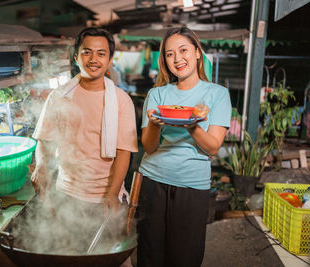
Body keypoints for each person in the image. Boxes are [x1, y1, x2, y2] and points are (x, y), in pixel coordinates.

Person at [137, 27, 232, 267]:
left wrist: (192, 126)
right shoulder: (156, 94)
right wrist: (156, 124)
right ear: (164, 60)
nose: (177, 59)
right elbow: (148, 147)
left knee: (185, 259)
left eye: (183, 50)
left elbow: (212, 148)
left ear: (197, 52)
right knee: (150, 257)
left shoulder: (217, 94)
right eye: (170, 54)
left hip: (192, 186)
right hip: (153, 181)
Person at [31, 26, 138, 231]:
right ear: (76, 57)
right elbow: (45, 140)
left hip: (105, 195)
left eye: (101, 53)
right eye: (86, 52)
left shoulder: (121, 100)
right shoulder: (59, 96)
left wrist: (113, 192)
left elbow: (124, 152)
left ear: (109, 60)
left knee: (107, 257)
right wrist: (41, 165)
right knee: (69, 253)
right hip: (66, 192)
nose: (93, 59)